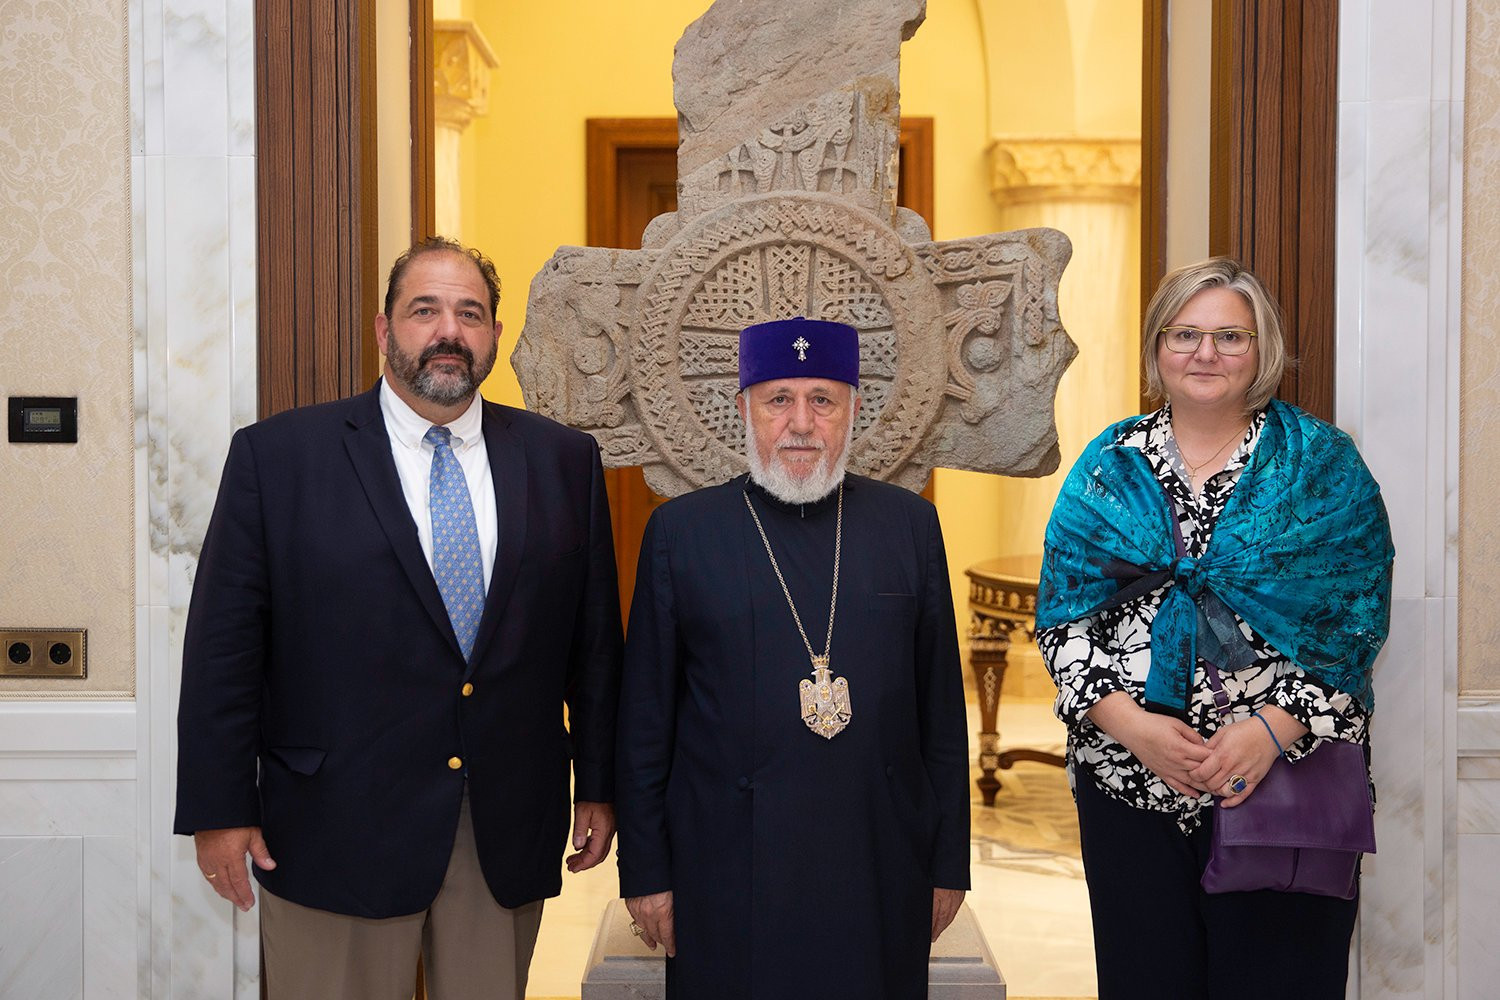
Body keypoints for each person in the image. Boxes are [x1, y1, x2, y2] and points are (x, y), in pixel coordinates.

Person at [174, 236, 623, 1000]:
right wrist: (219, 808)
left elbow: (595, 645)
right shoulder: (279, 459)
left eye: (470, 314)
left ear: (494, 336)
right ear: (384, 330)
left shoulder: (563, 461)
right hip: (335, 826)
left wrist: (600, 785)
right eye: (425, 310)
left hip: (501, 827)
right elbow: (224, 647)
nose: (449, 331)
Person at [1036, 257, 1394, 999]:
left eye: (1230, 336)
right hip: (1128, 785)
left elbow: (1356, 621)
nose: (1206, 353)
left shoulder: (1321, 465)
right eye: (1185, 334)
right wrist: (1135, 729)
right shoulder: (1108, 465)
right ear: (1157, 346)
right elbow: (1062, 620)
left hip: (1284, 785)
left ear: (1262, 350)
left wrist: (1267, 732)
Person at [615, 316, 971, 1000]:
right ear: (744, 409)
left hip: (877, 860)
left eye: (822, 400)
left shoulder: (908, 525)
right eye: (778, 399)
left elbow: (941, 715)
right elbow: (645, 725)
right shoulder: (681, 533)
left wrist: (948, 862)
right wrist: (647, 870)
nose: (801, 423)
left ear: (852, 411)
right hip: (725, 869)